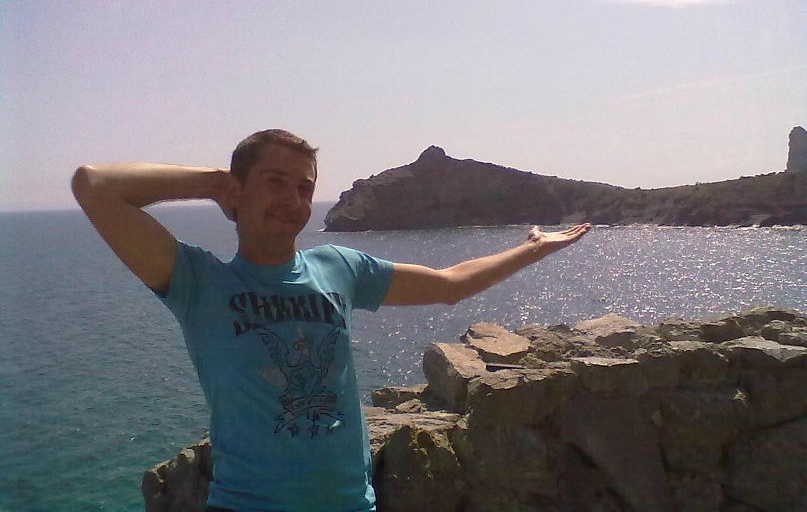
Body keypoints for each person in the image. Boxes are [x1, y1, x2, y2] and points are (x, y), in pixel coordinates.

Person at [71, 129, 590, 512]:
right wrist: (212, 181)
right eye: (274, 182)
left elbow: (450, 283)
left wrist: (534, 248)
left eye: (304, 187)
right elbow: (94, 185)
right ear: (237, 191)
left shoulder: (339, 267)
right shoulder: (197, 282)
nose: (293, 200)